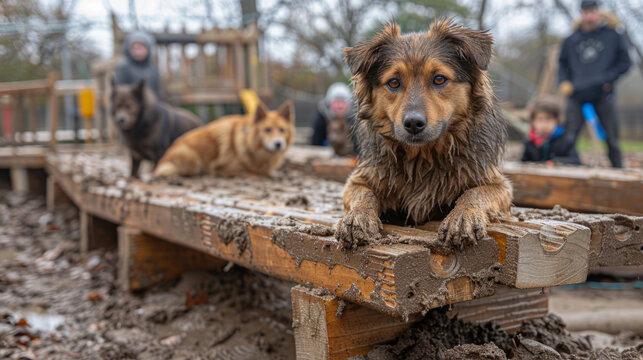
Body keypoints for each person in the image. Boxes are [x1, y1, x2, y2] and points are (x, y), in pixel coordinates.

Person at [558, 0, 631, 168]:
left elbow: (625, 62)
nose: (589, 15)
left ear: (599, 13)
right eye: (585, 12)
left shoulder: (613, 35)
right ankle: (566, 171)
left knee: (612, 140)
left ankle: (619, 174)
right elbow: (562, 63)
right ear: (581, 14)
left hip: (603, 93)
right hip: (576, 94)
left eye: (592, 11)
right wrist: (564, 81)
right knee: (568, 138)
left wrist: (608, 79)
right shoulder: (571, 40)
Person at [521, 97, 581, 165]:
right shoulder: (529, 141)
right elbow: (523, 162)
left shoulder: (565, 139)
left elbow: (575, 160)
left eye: (549, 119)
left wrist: (554, 162)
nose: (544, 125)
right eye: (540, 120)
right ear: (533, 122)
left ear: (557, 120)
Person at [311, 82, 357, 157]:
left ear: (348, 104)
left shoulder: (354, 119)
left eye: (343, 102)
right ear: (329, 103)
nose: (339, 106)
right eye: (336, 102)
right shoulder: (322, 118)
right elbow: (315, 143)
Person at [114, 30, 162, 99]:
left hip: (151, 105)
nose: (137, 51)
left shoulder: (152, 69)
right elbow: (119, 91)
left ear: (148, 49)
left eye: (140, 47)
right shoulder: (123, 68)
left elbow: (158, 92)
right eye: (134, 47)